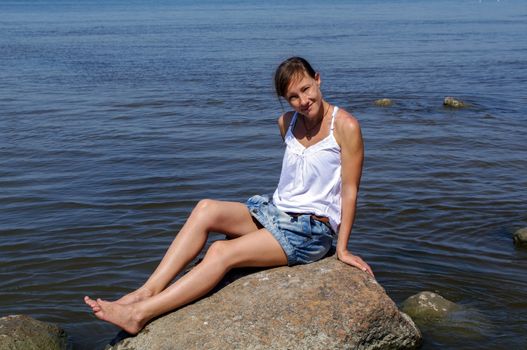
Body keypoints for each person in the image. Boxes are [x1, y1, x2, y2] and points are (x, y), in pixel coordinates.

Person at [84, 56, 374, 335]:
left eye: (306, 89)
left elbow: (350, 191)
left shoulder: (345, 126)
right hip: (275, 213)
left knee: (220, 252)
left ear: (318, 79)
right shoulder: (287, 122)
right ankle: (145, 292)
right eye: (293, 97)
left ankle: (139, 315)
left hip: (309, 230)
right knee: (206, 208)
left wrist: (343, 248)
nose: (303, 100)